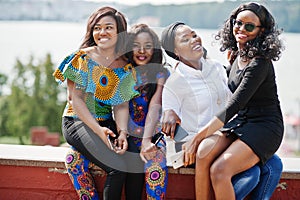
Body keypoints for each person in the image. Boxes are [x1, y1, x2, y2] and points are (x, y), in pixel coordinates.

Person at [160, 19, 283, 200]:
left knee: (274, 164)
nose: (194, 39)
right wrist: (168, 114)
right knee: (251, 175)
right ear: (176, 52)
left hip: (225, 135)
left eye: (194, 34)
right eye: (185, 39)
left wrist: (238, 62)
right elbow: (168, 119)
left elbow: (234, 98)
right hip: (194, 146)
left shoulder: (216, 68)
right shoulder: (175, 83)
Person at [53, 6, 144, 200]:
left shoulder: (125, 66)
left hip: (107, 123)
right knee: (116, 168)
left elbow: (120, 105)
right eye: (97, 27)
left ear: (119, 32)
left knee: (136, 162)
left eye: (108, 27)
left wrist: (122, 134)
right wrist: (98, 131)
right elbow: (75, 99)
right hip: (77, 121)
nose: (102, 32)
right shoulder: (82, 58)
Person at [125, 23, 169, 199]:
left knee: (155, 170)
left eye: (148, 46)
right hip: (126, 138)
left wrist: (146, 141)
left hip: (153, 137)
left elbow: (155, 106)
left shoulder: (161, 74)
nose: (142, 51)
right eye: (136, 45)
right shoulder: (124, 72)